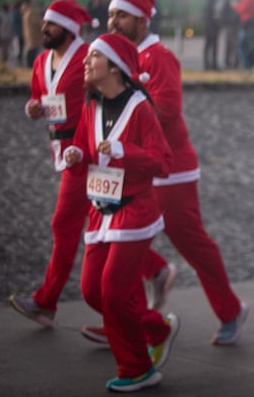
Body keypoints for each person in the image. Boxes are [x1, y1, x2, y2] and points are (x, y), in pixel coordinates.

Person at [82, 0, 248, 346]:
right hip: (128, 168)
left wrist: (127, 120)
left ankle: (230, 309)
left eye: (121, 16)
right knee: (118, 241)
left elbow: (168, 110)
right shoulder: (115, 60)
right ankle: (129, 320)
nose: (113, 22)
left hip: (170, 169)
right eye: (111, 15)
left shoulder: (158, 57)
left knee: (191, 242)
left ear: (143, 20)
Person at [63, 33, 176, 392]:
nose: (85, 61)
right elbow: (85, 147)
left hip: (135, 213)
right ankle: (157, 329)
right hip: (100, 211)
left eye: (94, 56)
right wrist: (77, 156)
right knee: (92, 291)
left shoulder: (140, 108)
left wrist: (122, 151)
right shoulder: (91, 105)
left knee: (112, 291)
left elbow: (162, 163)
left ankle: (138, 368)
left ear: (114, 67)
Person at [9, 0, 93, 327]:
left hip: (86, 151)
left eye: (51, 24)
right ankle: (154, 270)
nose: (43, 29)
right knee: (105, 224)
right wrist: (34, 109)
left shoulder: (88, 57)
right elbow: (42, 101)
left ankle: (46, 301)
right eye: (44, 23)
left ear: (69, 28)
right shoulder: (41, 60)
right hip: (62, 150)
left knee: (65, 223)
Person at [219, 0, 240, 70]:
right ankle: (234, 63)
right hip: (232, 26)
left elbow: (222, 15)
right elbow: (236, 13)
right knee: (234, 45)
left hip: (228, 26)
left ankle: (228, 63)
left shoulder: (226, 1)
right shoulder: (232, 0)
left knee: (228, 46)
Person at [21, 0, 44, 67]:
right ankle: (30, 65)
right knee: (33, 51)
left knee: (30, 50)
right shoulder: (31, 12)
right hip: (34, 34)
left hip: (28, 33)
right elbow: (38, 22)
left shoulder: (24, 11)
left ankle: (29, 65)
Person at [202, 0, 219, 70]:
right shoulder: (210, 4)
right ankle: (211, 65)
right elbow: (210, 18)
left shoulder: (209, 4)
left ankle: (209, 64)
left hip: (209, 29)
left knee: (209, 47)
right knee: (211, 47)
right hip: (211, 29)